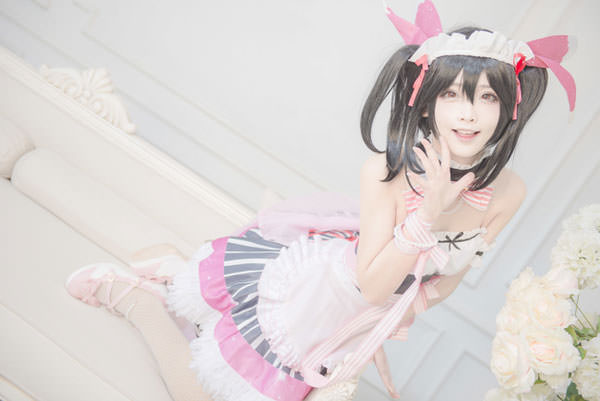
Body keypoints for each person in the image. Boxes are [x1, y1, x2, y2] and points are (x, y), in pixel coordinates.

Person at [65, 1, 576, 400]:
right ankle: (136, 298)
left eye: (487, 97)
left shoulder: (509, 191)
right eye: (452, 95)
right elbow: (370, 285)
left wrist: (405, 310)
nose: (469, 114)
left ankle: (168, 273)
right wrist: (429, 216)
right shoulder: (386, 174)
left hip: (363, 324)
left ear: (509, 107)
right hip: (323, 298)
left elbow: (451, 277)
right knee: (196, 394)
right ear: (425, 103)